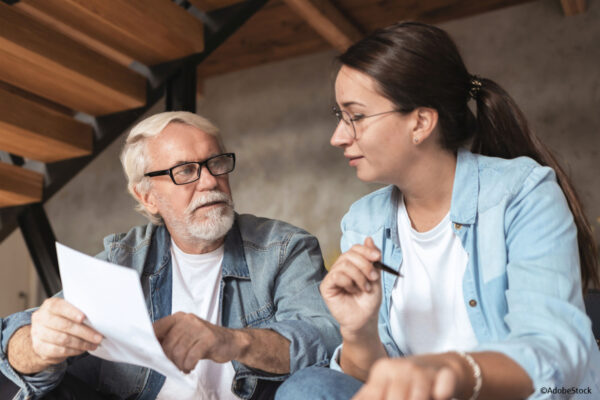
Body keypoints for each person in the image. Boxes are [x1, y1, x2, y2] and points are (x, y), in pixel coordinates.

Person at [277, 21, 600, 400]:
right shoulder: (363, 221)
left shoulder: (522, 193)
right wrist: (358, 330)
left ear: (421, 122)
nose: (338, 136)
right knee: (309, 387)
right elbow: (371, 377)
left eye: (357, 116)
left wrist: (452, 369)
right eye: (340, 116)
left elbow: (557, 354)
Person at [0, 111, 340, 400]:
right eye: (185, 171)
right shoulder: (123, 259)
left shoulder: (283, 249)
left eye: (216, 163)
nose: (209, 181)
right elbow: (14, 337)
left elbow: (325, 339)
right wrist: (36, 343)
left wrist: (233, 341)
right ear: (146, 196)